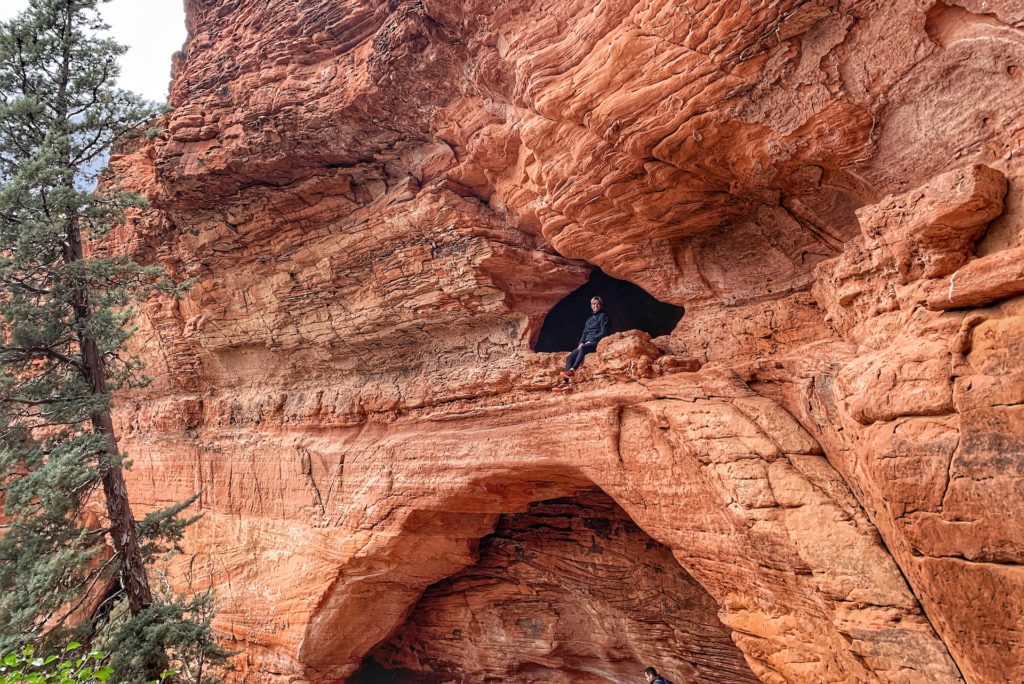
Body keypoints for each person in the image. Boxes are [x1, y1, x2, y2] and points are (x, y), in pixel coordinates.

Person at [553, 296, 610, 392]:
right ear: (591, 306)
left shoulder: (603, 316)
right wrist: (580, 342)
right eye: (594, 304)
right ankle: (565, 383)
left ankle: (572, 371)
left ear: (600, 305)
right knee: (569, 357)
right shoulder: (588, 320)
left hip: (596, 342)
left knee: (583, 348)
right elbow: (584, 333)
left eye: (597, 304)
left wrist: (591, 340)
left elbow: (603, 332)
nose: (596, 305)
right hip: (585, 343)